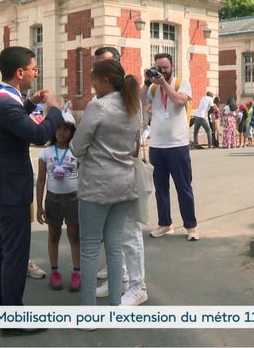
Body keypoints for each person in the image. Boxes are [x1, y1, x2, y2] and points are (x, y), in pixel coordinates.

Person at [0, 46, 63, 336]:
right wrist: (54, 109)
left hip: (0, 186)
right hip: (11, 189)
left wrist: (31, 103)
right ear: (20, 73)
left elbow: (13, 120)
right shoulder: (6, 104)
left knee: (1, 250)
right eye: (32, 68)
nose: (36, 72)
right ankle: (13, 318)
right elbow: (40, 135)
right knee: (15, 254)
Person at [70, 60, 140, 307]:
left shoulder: (97, 107)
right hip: (125, 184)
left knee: (89, 248)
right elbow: (135, 145)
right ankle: (114, 304)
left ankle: (89, 311)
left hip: (97, 186)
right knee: (114, 245)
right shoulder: (133, 104)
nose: (93, 87)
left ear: (105, 81)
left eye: (95, 82)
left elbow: (77, 147)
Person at [93, 47, 148, 306]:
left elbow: (134, 144)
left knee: (128, 230)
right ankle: (122, 278)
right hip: (105, 178)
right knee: (112, 232)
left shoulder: (128, 102)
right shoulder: (101, 102)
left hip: (122, 175)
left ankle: (138, 285)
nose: (94, 76)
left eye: (99, 70)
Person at [146, 53, 199, 241]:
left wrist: (164, 83)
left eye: (165, 68)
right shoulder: (152, 88)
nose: (161, 71)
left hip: (178, 144)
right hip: (157, 145)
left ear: (172, 67)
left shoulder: (181, 83)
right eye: (158, 67)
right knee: (160, 188)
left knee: (183, 187)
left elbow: (178, 101)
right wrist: (147, 82)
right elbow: (138, 102)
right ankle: (164, 224)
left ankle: (191, 227)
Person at [36, 113, 81, 292]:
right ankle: (54, 272)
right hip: (52, 199)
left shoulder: (76, 151)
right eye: (58, 128)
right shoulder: (45, 153)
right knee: (54, 235)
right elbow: (40, 181)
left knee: (74, 236)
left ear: (71, 132)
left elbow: (83, 176)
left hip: (73, 198)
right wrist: (39, 206)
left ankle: (77, 273)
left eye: (66, 129)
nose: (62, 132)